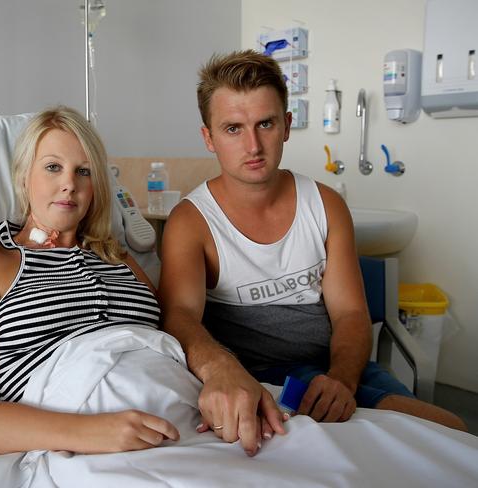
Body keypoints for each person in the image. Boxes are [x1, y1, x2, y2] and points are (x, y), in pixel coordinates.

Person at [158, 49, 467, 457]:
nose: (252, 145)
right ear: (208, 138)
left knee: (452, 430)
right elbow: (179, 318)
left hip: (334, 369)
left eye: (265, 123)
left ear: (286, 126)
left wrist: (342, 379)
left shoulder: (324, 205)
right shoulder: (191, 221)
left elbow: (351, 314)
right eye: (233, 128)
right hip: (256, 379)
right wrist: (222, 370)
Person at [0, 106, 207, 456]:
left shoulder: (118, 258)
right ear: (23, 176)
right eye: (53, 167)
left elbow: (174, 335)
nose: (69, 184)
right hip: (84, 441)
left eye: (84, 171)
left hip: (184, 419)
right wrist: (90, 432)